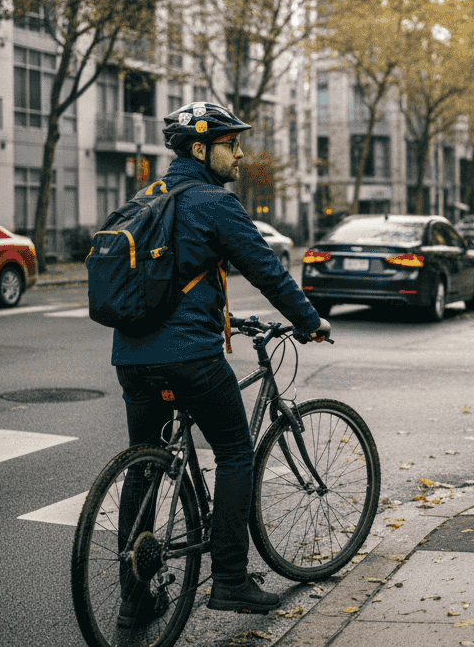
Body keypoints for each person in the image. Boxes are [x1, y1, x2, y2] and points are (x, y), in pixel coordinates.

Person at [112, 101, 330, 627]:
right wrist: (309, 320)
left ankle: (135, 597)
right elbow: (269, 272)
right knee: (235, 452)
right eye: (231, 144)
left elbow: (168, 283)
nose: (240, 152)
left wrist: (226, 314)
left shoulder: (142, 202)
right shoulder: (215, 203)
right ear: (200, 149)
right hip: (190, 358)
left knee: (144, 463)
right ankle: (230, 580)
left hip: (132, 358)